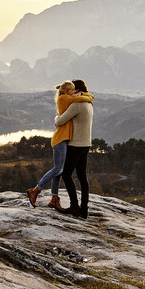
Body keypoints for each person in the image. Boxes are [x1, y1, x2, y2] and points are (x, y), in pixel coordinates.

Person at [26, 80, 93, 209]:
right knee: (59, 169)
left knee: (59, 170)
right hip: (61, 139)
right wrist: (57, 118)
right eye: (72, 90)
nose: (74, 93)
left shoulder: (75, 100)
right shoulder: (67, 99)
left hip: (65, 139)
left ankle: (54, 198)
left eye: (75, 90)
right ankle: (35, 190)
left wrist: (85, 95)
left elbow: (81, 99)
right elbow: (60, 121)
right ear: (68, 91)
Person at [54, 78, 94, 219]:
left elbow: (60, 121)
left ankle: (74, 207)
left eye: (71, 89)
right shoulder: (89, 103)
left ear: (76, 90)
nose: (70, 93)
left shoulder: (76, 105)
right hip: (86, 144)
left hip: (75, 145)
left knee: (66, 175)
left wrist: (55, 118)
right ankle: (84, 210)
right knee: (82, 177)